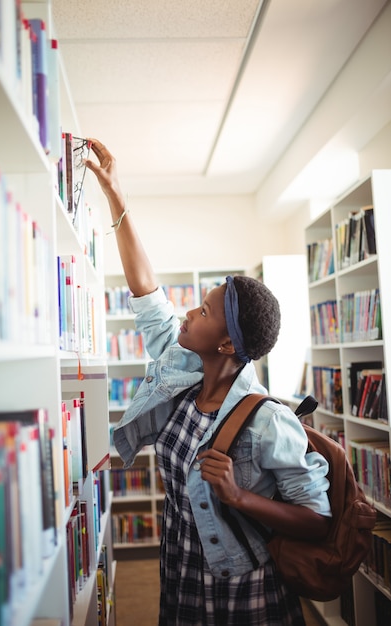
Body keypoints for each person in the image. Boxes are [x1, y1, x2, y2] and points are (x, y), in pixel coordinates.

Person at [85, 139, 332, 626]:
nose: (189, 314)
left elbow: (318, 518)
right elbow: (147, 292)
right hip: (181, 569)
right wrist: (116, 195)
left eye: (203, 311)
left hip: (243, 587)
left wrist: (241, 497)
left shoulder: (268, 421)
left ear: (225, 346)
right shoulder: (182, 370)